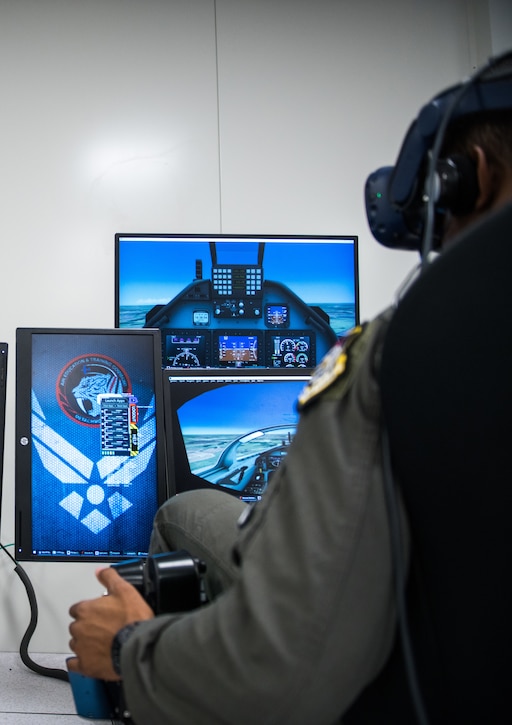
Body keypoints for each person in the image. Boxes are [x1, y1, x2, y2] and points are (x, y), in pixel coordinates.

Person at [68, 59, 512, 723]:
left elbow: (286, 663)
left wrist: (129, 647)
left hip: (373, 674)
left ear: (470, 176)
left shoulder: (399, 346)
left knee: (183, 507)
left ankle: (151, 686)